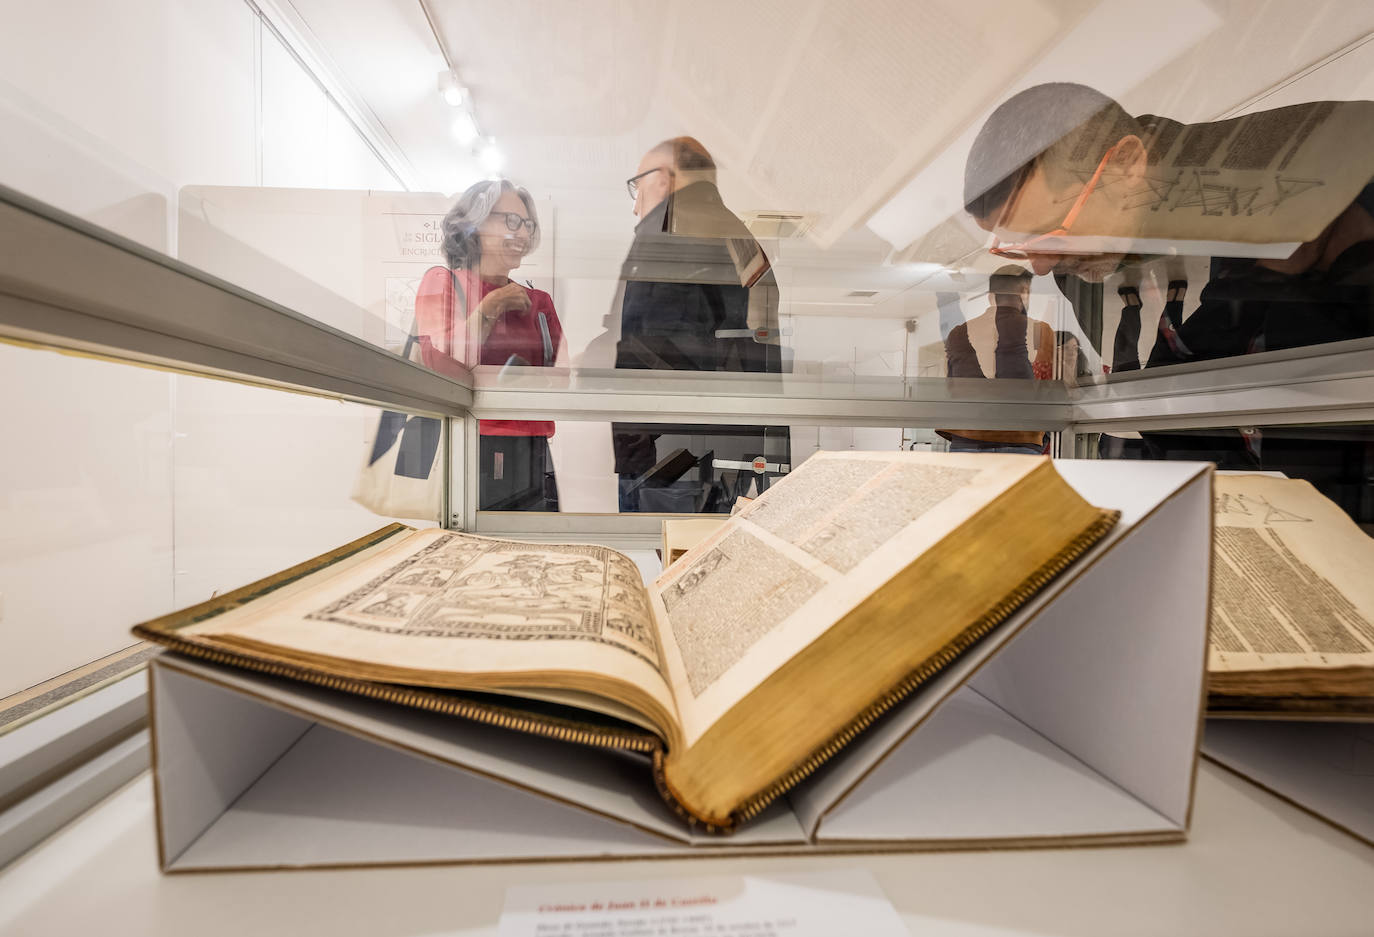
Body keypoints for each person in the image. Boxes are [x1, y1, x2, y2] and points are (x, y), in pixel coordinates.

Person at [961, 82, 1374, 368]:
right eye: (1016, 247)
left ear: (1126, 165)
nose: (1040, 267)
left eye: (1050, 233)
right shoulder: (1083, 268)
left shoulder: (1305, 185)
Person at [611, 136, 789, 512]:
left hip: (672, 454)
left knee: (677, 555)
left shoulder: (668, 227)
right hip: (722, 444)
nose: (636, 207)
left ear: (662, 178)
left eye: (637, 188)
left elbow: (656, 346)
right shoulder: (733, 230)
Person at [413, 179, 566, 511]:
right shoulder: (443, 283)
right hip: (470, 441)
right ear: (474, 224)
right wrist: (493, 305)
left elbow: (562, 377)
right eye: (511, 221)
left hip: (534, 445)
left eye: (527, 224)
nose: (523, 234)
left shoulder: (539, 302)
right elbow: (443, 363)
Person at [936, 265, 1055, 455]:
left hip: (966, 435)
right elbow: (1049, 390)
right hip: (1020, 437)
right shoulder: (1041, 331)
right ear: (1024, 293)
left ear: (991, 295)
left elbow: (952, 386)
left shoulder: (957, 333)